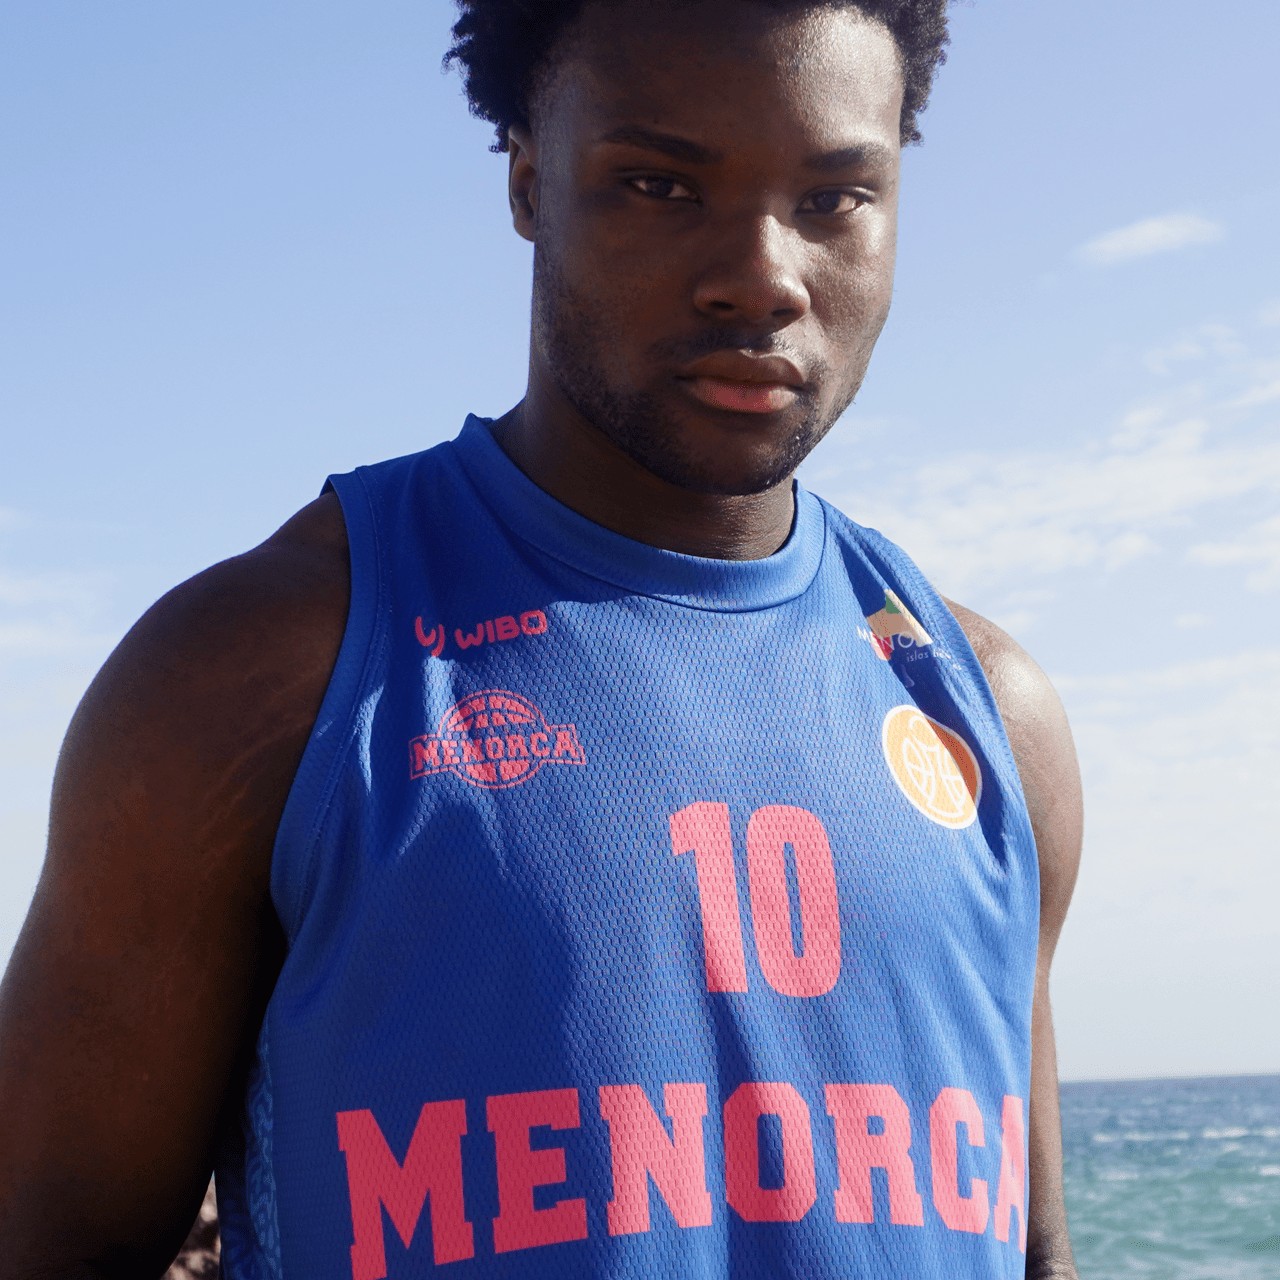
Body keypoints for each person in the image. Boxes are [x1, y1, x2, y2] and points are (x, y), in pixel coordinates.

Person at [0, 1, 1083, 1276]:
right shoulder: (260, 673)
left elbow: (1033, 1252)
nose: (763, 275)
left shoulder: (987, 713)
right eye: (659, 183)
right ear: (526, 182)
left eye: (833, 198)